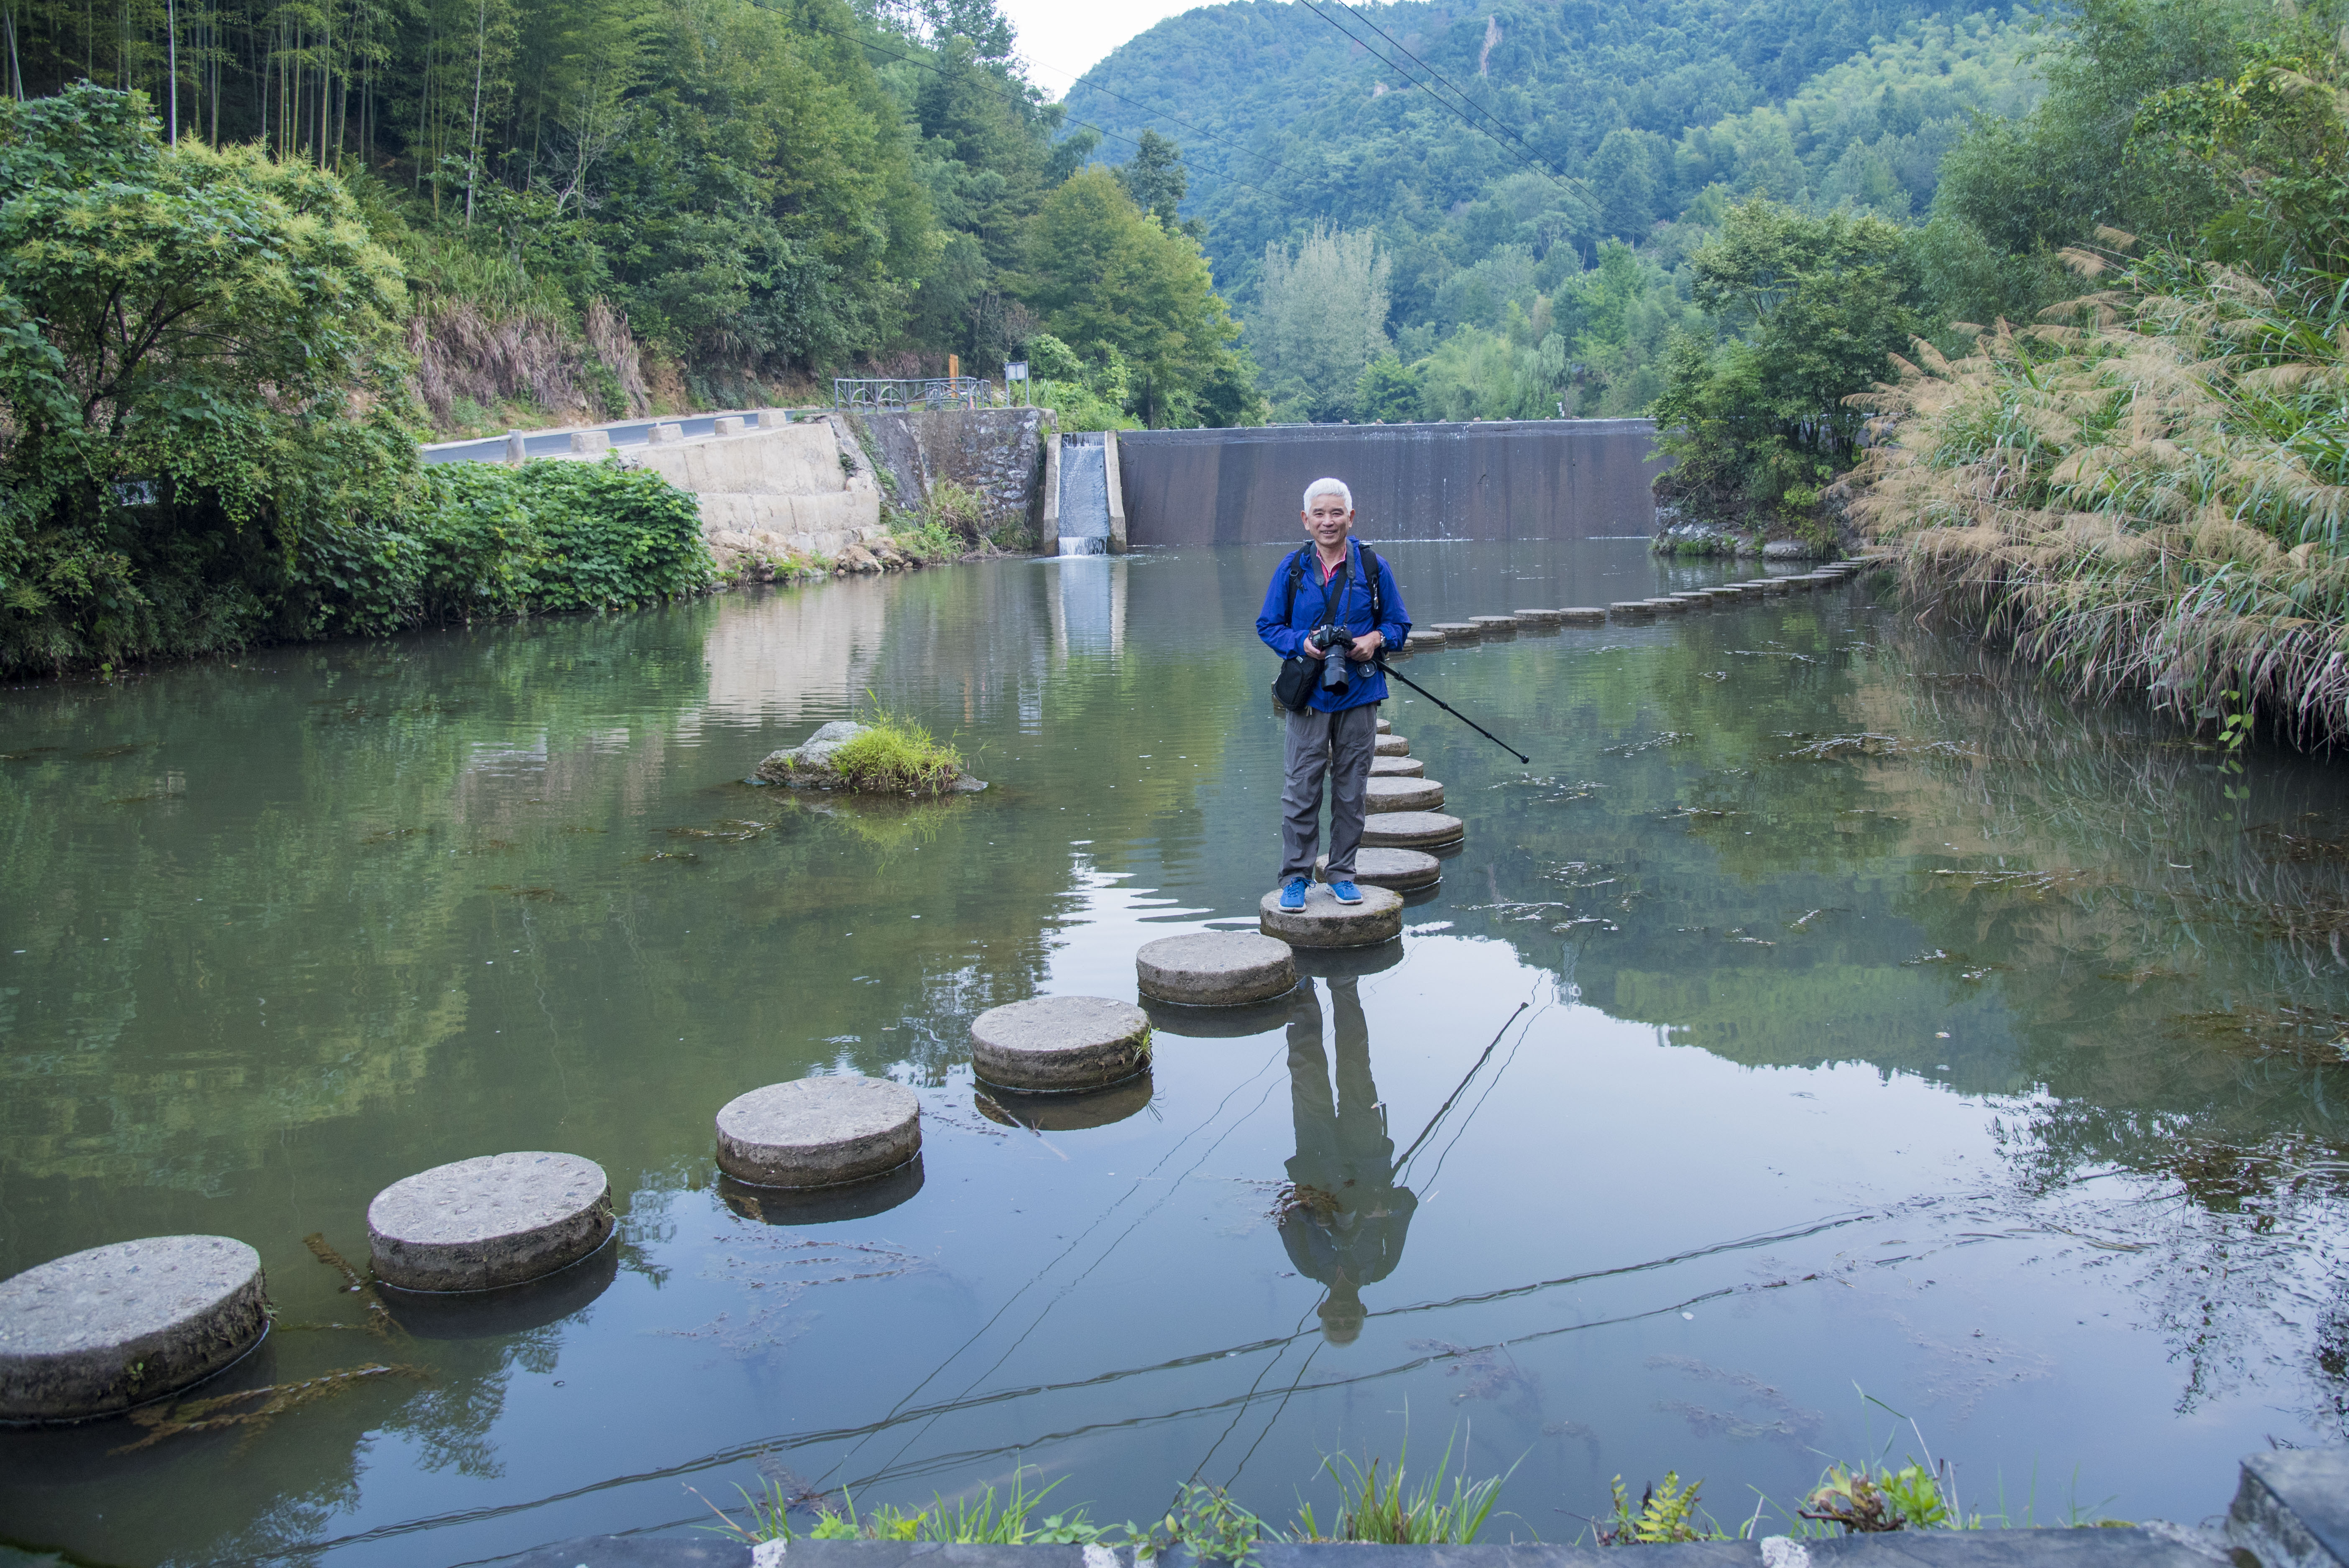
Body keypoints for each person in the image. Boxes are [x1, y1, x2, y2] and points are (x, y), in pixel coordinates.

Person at [1256, 478, 1411, 911]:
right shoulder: (1291, 569)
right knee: (1300, 790)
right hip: (1308, 697)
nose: (1328, 522)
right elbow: (1267, 625)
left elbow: (1400, 625)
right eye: (1319, 514)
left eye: (1336, 513)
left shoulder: (1373, 567)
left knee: (1350, 791)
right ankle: (1296, 878)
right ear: (1305, 521)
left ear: (1350, 518)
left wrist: (1375, 639)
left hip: (1359, 694)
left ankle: (1342, 874)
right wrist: (1300, 643)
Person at [1278, 976, 1417, 1344]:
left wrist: (1313, 1212)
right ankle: (1344, 984)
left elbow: (1283, 1216)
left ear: (1322, 1312)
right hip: (1366, 1152)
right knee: (1356, 1062)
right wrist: (1382, 1211)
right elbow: (1408, 1204)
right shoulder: (1383, 1265)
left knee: (1305, 1069)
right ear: (1362, 1313)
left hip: (1316, 1156)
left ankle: (1303, 990)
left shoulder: (1308, 1265)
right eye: (1349, 1324)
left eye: (1335, 1324)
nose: (1342, 1318)